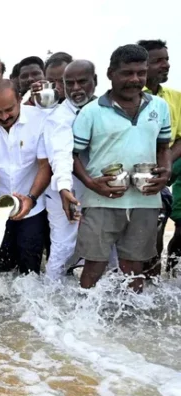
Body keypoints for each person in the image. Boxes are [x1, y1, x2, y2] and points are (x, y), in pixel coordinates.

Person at [72, 44, 171, 293]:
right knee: (94, 265)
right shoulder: (91, 112)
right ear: (110, 74)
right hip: (101, 200)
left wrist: (166, 173)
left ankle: (129, 327)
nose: (135, 79)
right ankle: (81, 325)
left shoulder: (159, 107)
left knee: (134, 267)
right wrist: (91, 183)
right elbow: (70, 155)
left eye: (141, 73)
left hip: (145, 200)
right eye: (127, 73)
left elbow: (163, 147)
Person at [0, 80, 52, 274]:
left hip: (33, 205)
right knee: (0, 266)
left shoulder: (40, 120)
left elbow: (45, 166)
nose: (4, 116)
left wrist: (31, 199)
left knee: (30, 267)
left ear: (19, 100)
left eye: (9, 110)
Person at [42, 60, 98, 282]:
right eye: (69, 83)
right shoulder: (59, 117)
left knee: (109, 249)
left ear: (95, 81)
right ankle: (50, 301)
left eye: (82, 82)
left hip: (103, 192)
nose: (75, 88)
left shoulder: (108, 109)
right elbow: (61, 154)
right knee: (63, 247)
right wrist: (65, 188)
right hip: (65, 193)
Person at [137, 39, 181, 275]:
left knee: (166, 233)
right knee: (143, 239)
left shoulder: (175, 97)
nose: (166, 65)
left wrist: (166, 163)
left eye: (167, 59)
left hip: (168, 168)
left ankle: (165, 283)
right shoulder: (127, 97)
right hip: (136, 174)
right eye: (158, 61)